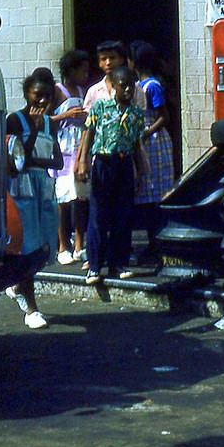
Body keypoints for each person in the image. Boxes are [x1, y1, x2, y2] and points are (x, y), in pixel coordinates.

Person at [76, 66, 145, 285]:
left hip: (124, 164)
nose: (127, 90)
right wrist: (82, 162)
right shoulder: (100, 107)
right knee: (98, 215)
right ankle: (94, 267)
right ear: (113, 86)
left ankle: (118, 264)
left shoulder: (136, 113)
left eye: (131, 86)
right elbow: (89, 133)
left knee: (122, 215)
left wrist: (140, 171)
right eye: (122, 85)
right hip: (103, 163)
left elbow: (136, 144)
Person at [5, 72, 64, 329]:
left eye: (47, 96)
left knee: (44, 248)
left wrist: (43, 130)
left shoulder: (51, 123)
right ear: (27, 94)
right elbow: (17, 159)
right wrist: (34, 132)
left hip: (44, 187)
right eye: (36, 95)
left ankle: (17, 285)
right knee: (28, 247)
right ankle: (31, 308)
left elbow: (58, 161)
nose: (41, 100)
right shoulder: (15, 120)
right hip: (23, 188)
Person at [129, 41, 175, 254]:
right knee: (146, 192)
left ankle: (157, 242)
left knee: (156, 192)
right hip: (145, 141)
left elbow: (164, 117)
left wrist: (146, 132)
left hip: (154, 142)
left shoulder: (152, 86)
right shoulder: (138, 86)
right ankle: (152, 241)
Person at [50, 49, 91, 265]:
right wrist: (67, 115)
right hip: (63, 150)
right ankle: (62, 246)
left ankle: (79, 244)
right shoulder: (57, 90)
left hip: (80, 149)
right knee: (63, 200)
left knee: (80, 198)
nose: (86, 74)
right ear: (71, 70)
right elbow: (45, 119)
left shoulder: (82, 90)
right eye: (82, 70)